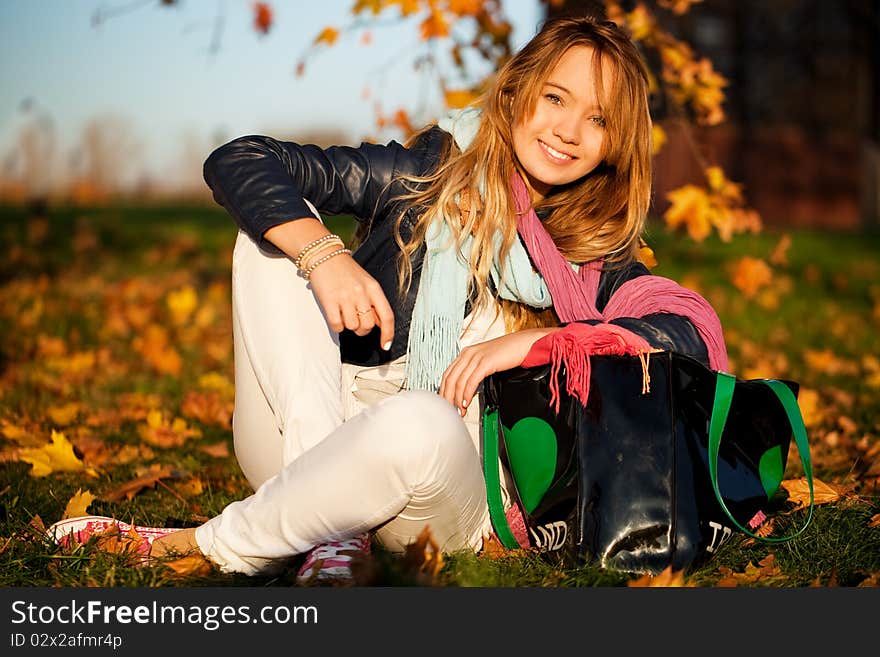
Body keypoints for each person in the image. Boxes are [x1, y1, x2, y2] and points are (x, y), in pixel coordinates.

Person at [48, 15, 726, 583]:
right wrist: (325, 255)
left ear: (615, 145)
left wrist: (537, 339)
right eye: (555, 98)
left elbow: (686, 331)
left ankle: (197, 544)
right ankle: (326, 530)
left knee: (420, 420)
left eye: (598, 118)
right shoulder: (425, 174)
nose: (569, 129)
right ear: (519, 93)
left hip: (438, 485)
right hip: (311, 427)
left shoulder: (595, 256)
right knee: (266, 241)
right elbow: (242, 160)